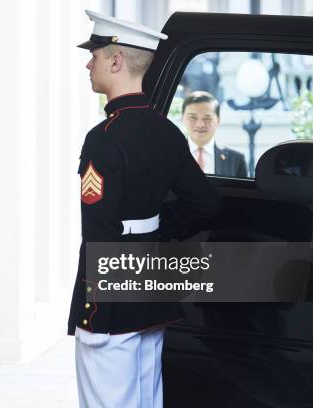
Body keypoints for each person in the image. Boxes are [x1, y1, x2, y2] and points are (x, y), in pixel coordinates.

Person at [69, 10, 221, 408]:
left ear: (116, 61)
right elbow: (204, 204)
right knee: (146, 398)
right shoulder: (167, 131)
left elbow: (99, 231)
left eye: (96, 54)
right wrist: (153, 231)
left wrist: (94, 312)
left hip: (113, 299)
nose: (89, 62)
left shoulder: (104, 137)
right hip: (152, 284)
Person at [182, 91, 248, 178]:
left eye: (207, 118)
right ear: (183, 118)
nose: (200, 124)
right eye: (193, 117)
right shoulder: (171, 155)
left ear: (218, 120)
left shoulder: (236, 160)